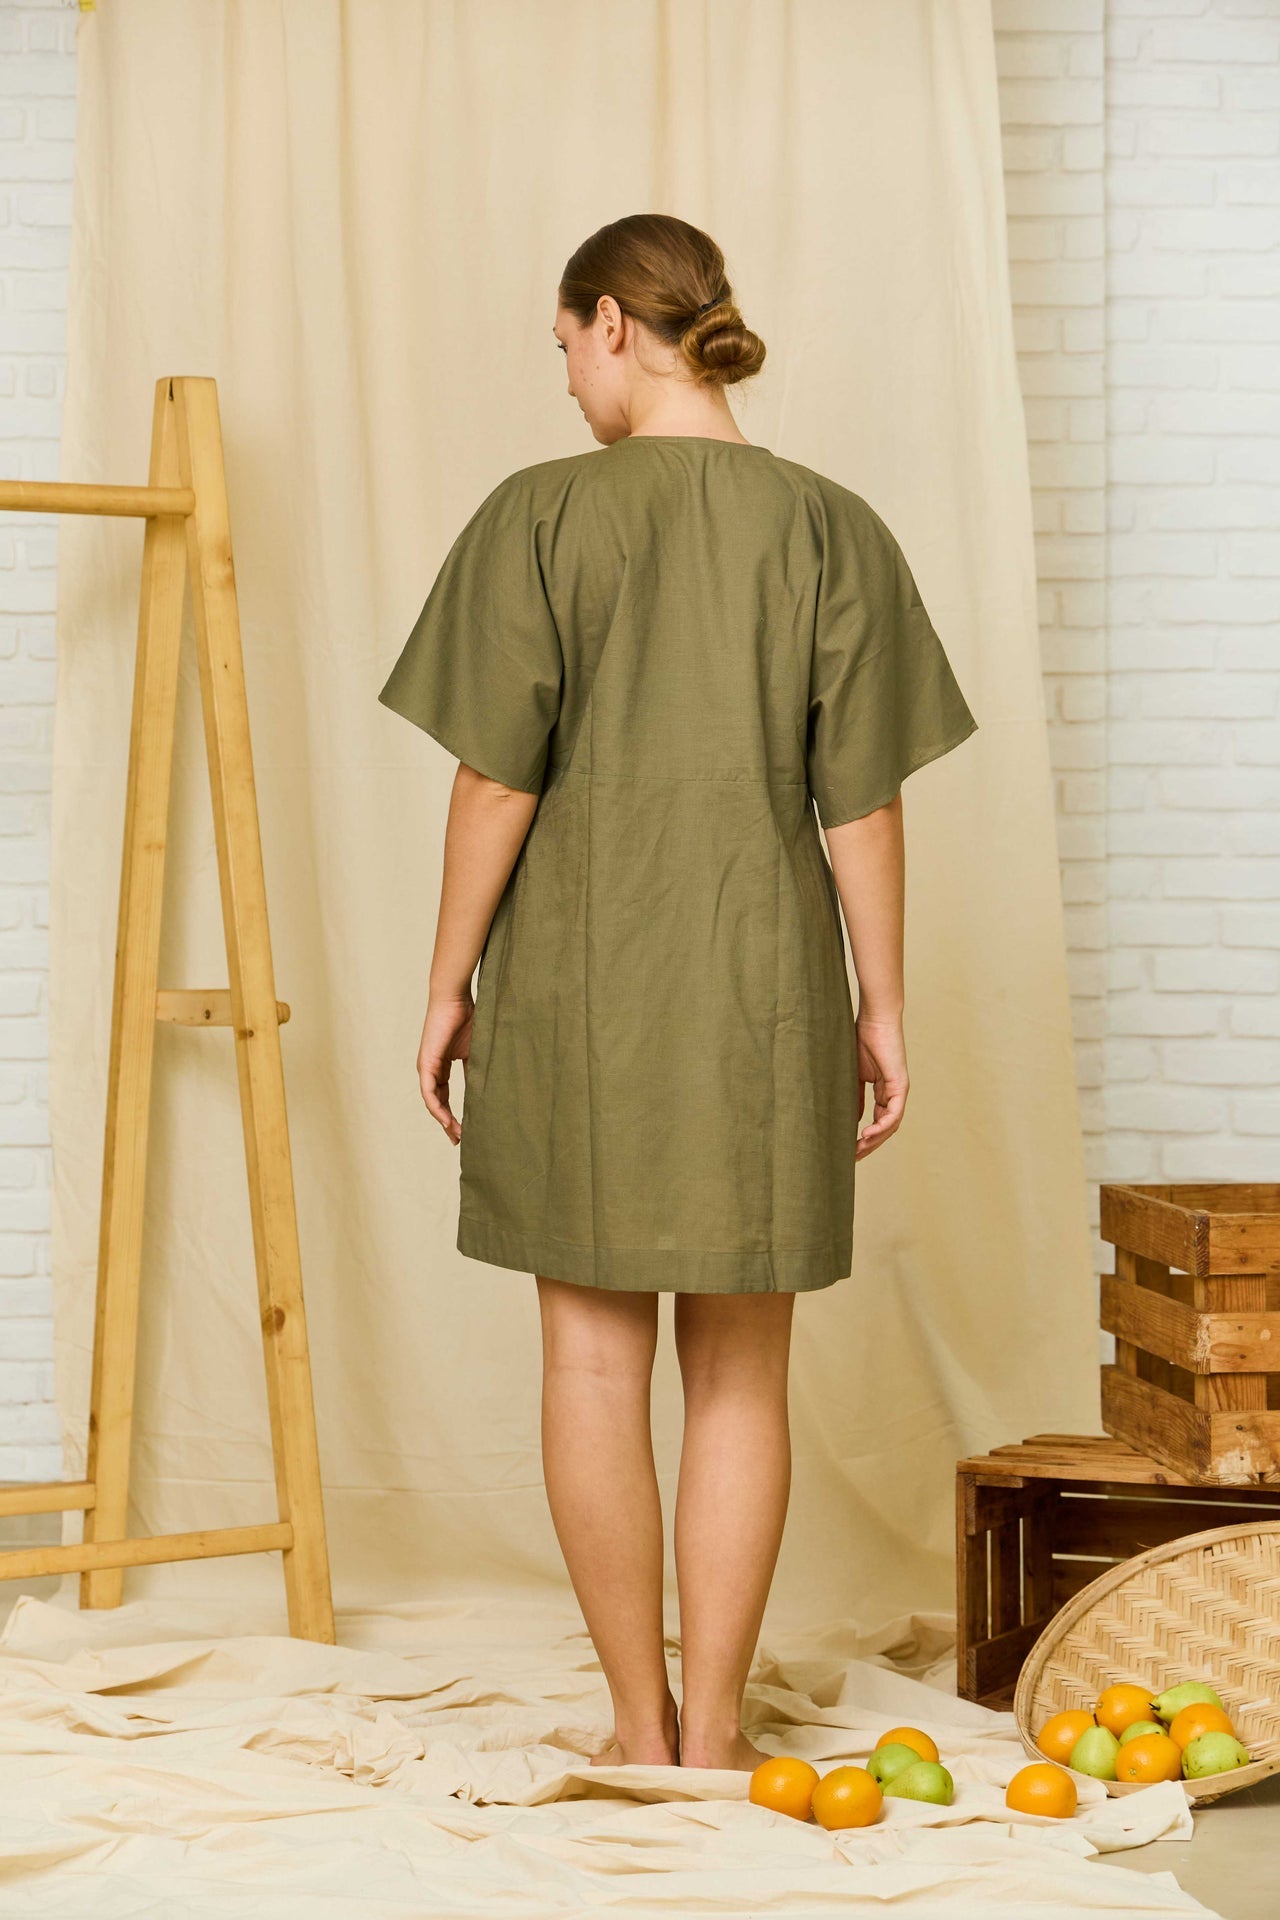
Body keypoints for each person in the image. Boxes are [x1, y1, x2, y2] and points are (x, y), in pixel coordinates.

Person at [378, 213, 978, 1773]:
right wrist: (882, 1003)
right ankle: (714, 1736)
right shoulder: (830, 526)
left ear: (609, 324)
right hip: (762, 995)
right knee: (742, 1373)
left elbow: (494, 782)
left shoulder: (540, 516)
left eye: (565, 349)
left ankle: (638, 1731)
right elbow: (862, 802)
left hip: (574, 990)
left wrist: (446, 983)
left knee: (590, 1362)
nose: (567, 382)